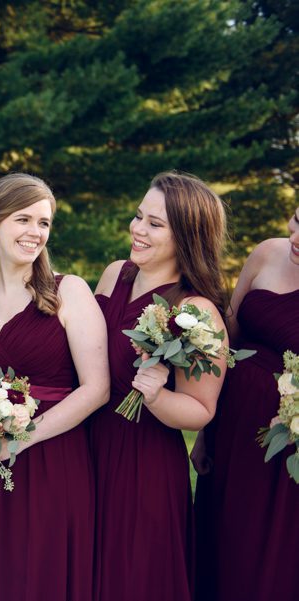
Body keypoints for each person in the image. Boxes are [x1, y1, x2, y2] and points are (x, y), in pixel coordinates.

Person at [91, 171, 230, 601]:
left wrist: (156, 396)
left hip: (141, 465)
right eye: (138, 216)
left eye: (155, 224)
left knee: (132, 579)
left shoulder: (197, 311)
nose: (137, 229)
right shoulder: (116, 274)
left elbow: (201, 409)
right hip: (86, 446)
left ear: (186, 236)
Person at [0, 173, 109, 601]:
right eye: (23, 219)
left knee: (46, 574)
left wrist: (20, 441)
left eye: (44, 223)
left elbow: (96, 388)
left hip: (54, 458)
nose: (35, 233)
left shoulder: (68, 291)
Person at [194, 205, 299, 601]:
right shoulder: (267, 253)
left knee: (262, 561)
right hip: (231, 427)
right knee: (219, 539)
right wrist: (206, 429)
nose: (295, 238)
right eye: (297, 220)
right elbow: (227, 341)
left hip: (283, 451)